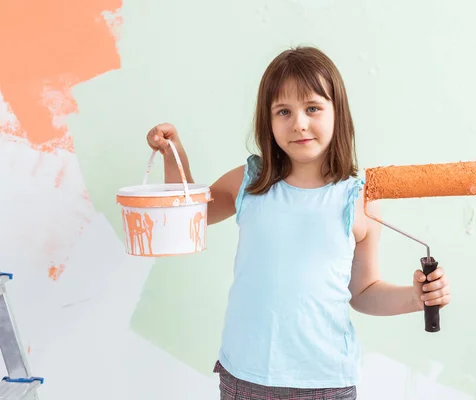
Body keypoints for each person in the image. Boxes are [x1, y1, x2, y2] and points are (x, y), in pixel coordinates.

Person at [146, 46, 451, 400]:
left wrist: (414, 298)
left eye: (312, 108)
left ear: (338, 113)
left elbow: (364, 292)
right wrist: (173, 153)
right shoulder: (249, 181)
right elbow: (185, 216)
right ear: (268, 120)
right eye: (283, 111)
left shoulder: (360, 200)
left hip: (325, 383)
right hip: (245, 376)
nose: (299, 123)